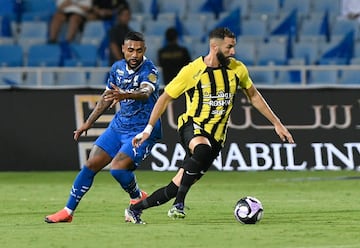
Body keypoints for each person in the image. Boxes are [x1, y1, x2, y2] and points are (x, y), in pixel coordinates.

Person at [123, 27, 294, 224]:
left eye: (234, 47)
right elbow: (164, 99)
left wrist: (277, 124)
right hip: (192, 126)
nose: (233, 51)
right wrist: (148, 129)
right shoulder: (192, 71)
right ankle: (179, 204)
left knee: (174, 186)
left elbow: (253, 96)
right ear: (215, 47)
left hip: (217, 138)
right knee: (202, 149)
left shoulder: (237, 70)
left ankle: (135, 210)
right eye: (229, 47)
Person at [45, 31, 162, 223]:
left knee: (117, 169)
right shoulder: (117, 68)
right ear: (123, 49)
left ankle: (135, 197)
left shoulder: (150, 70)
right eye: (130, 50)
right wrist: (88, 123)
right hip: (119, 126)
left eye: (139, 51)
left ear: (144, 51)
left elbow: (145, 93)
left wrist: (124, 95)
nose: (134, 55)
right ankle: (68, 212)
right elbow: (107, 98)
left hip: (143, 129)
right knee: (91, 164)